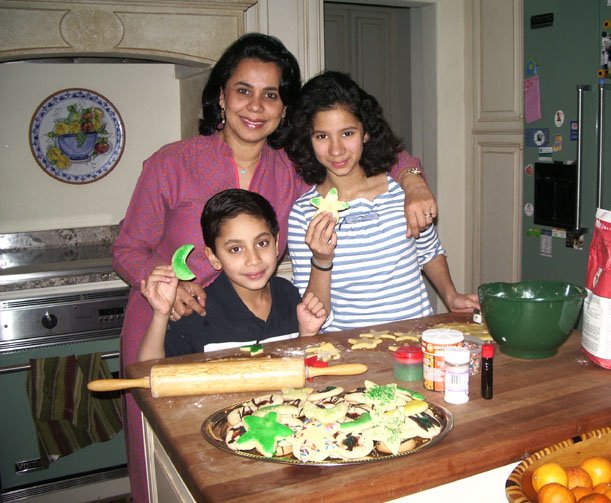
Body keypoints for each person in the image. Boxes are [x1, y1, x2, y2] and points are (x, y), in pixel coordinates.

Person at [112, 33, 436, 502]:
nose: (256, 106)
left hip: (247, 336)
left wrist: (414, 180)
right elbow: (128, 247)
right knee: (166, 465)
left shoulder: (291, 167)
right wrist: (164, 287)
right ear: (221, 95)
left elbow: (370, 154)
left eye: (272, 94)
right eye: (243, 90)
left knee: (249, 457)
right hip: (165, 324)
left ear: (286, 109)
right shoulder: (171, 163)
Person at [285, 71, 480, 332]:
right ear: (308, 140)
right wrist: (321, 259)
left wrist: (451, 295)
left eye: (347, 133)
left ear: (366, 132)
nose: (336, 150)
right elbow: (314, 310)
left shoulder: (402, 193)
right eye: (322, 136)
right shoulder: (303, 214)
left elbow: (429, 252)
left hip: (416, 338)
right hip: (347, 348)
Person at [137, 189, 326, 361]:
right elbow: (148, 375)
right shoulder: (199, 310)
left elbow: (299, 367)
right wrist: (160, 315)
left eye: (262, 243)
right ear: (214, 258)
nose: (253, 259)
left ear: (276, 245)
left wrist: (307, 335)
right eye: (236, 249)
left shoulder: (287, 295)